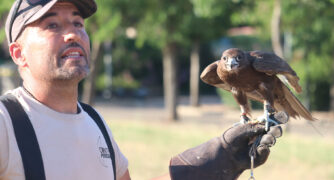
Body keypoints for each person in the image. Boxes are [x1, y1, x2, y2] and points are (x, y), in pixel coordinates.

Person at [0, 0, 284, 180]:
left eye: (77, 23)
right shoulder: (5, 123)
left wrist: (212, 163)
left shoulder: (94, 124)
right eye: (52, 25)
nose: (73, 33)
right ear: (18, 54)